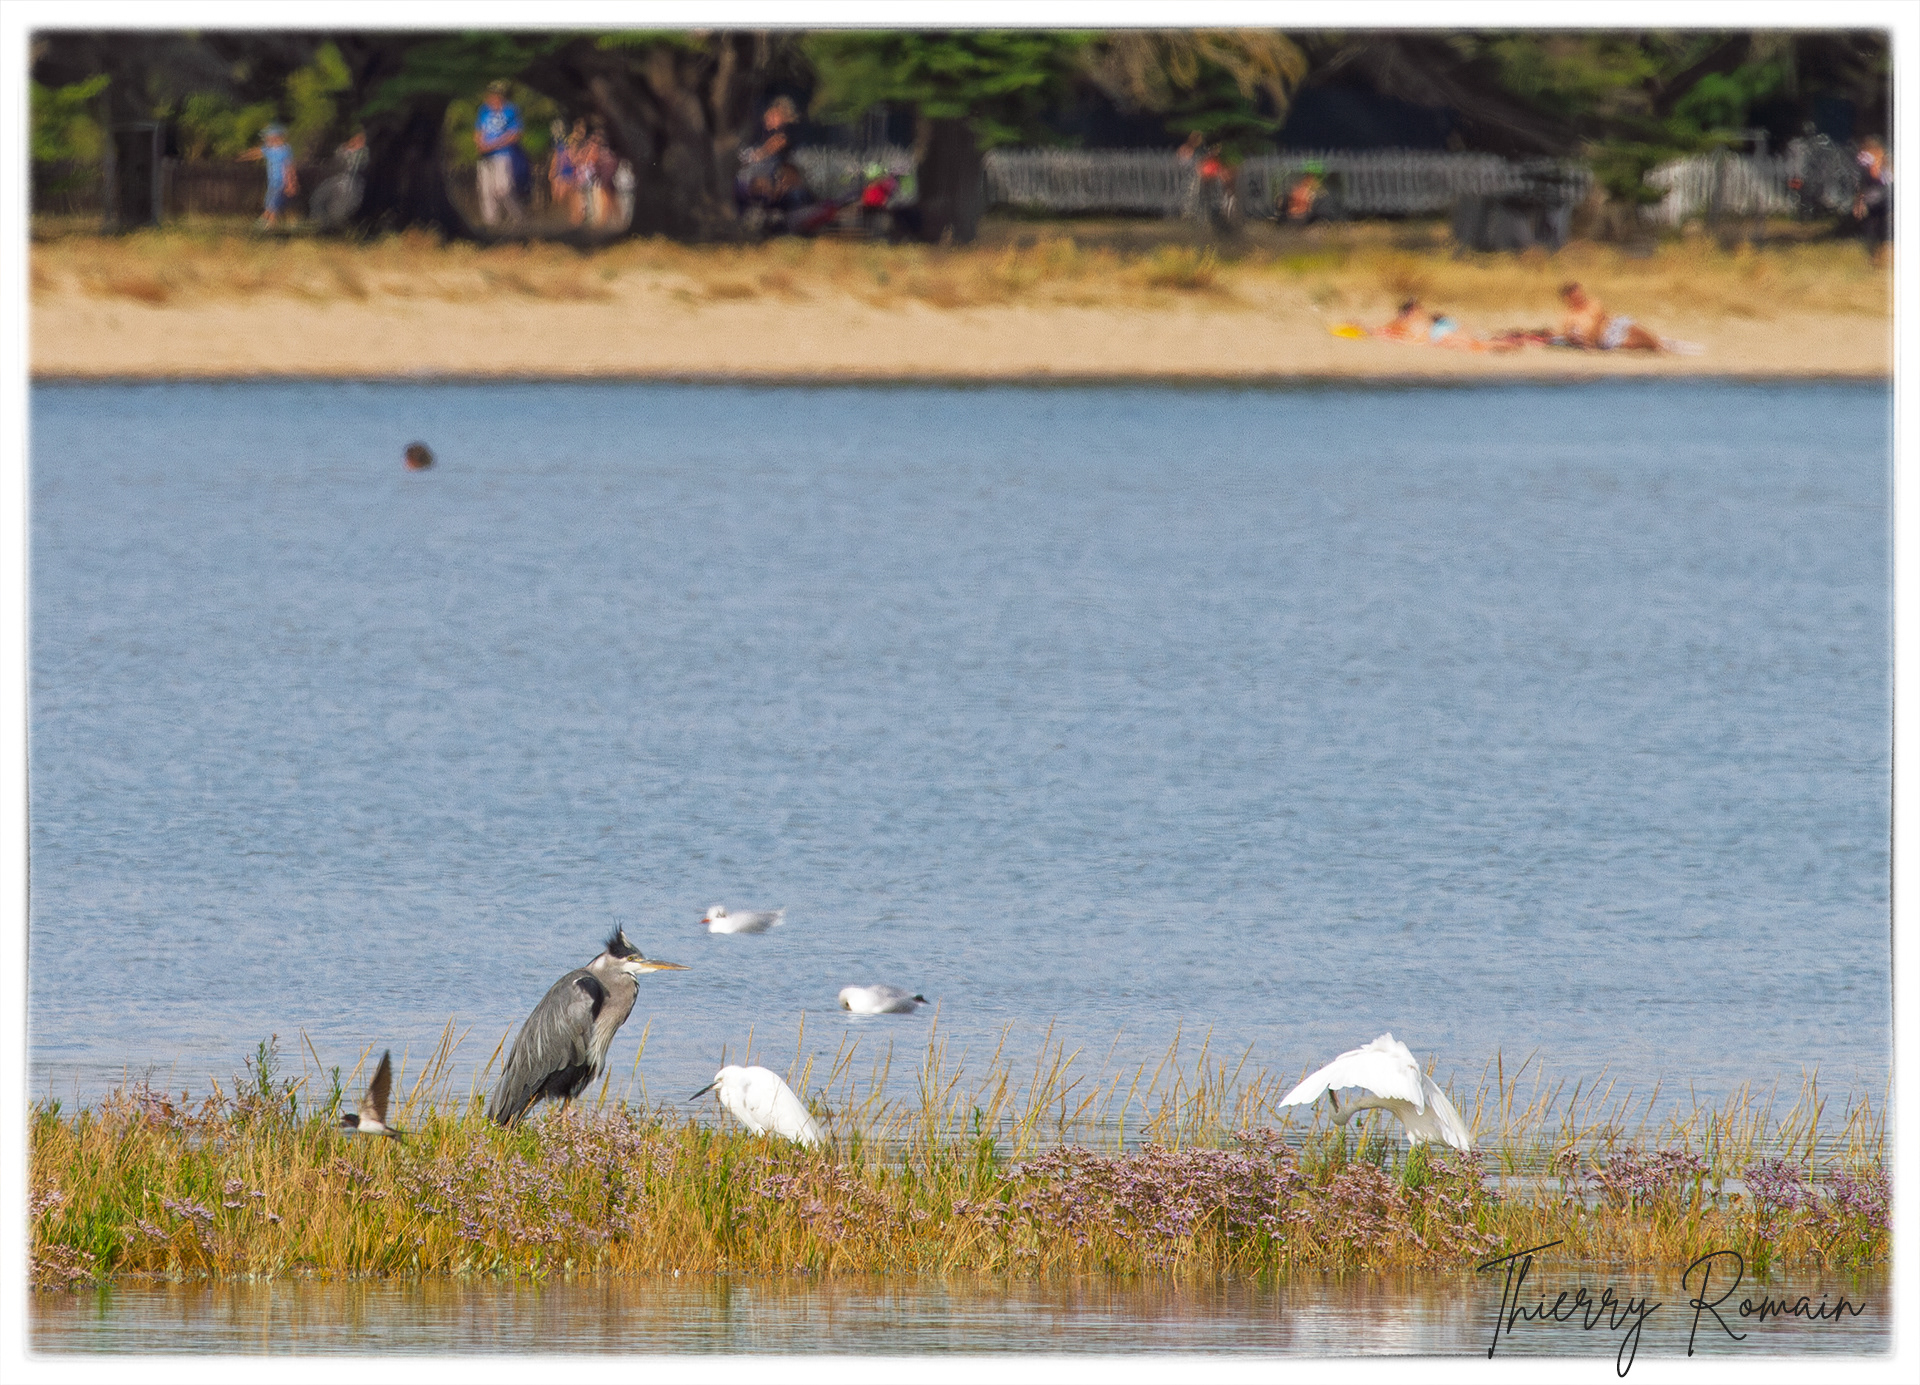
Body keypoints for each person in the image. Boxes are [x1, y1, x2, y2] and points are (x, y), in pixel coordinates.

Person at [473, 80, 524, 227]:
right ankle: (491, 223)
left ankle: (517, 216)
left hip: (502, 154)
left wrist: (494, 144)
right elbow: (478, 130)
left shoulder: (510, 110)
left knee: (503, 188)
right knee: (486, 190)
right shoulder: (484, 110)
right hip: (485, 156)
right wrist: (480, 143)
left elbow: (515, 134)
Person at [1557, 281, 1662, 351]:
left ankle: (1658, 344)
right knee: (1631, 344)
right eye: (1575, 294)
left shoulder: (1593, 303)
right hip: (1604, 337)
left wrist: (1591, 339)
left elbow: (1600, 318)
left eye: (1579, 292)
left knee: (1635, 329)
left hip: (1612, 325)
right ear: (1568, 298)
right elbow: (1568, 334)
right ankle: (1656, 346)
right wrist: (1585, 341)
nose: (1579, 296)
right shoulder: (1569, 315)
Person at [239, 123, 298, 229]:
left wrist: (291, 183)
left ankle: (269, 224)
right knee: (269, 201)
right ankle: (267, 222)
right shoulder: (269, 150)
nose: (266, 140)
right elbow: (256, 153)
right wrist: (243, 156)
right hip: (272, 182)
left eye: (268, 137)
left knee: (273, 203)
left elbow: (289, 167)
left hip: (281, 181)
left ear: (276, 137)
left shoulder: (285, 150)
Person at [1852, 136, 1889, 258]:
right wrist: (1859, 204)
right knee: (1871, 226)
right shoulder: (1865, 166)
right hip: (1873, 202)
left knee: (1880, 225)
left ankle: (1880, 250)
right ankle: (1874, 253)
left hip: (1882, 202)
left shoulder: (1884, 167)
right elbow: (1861, 187)